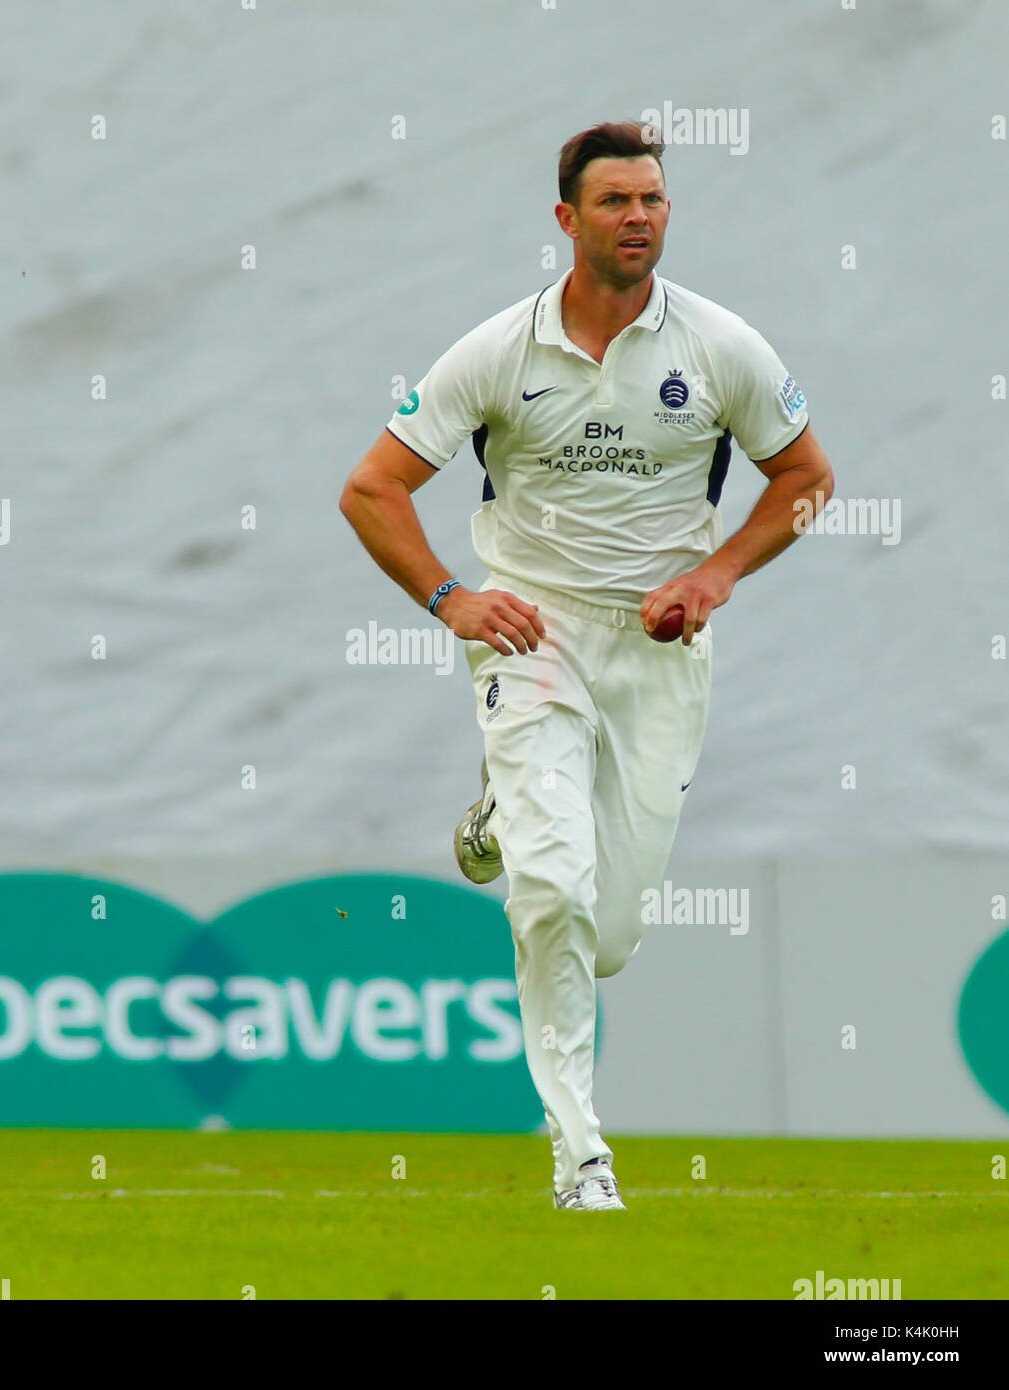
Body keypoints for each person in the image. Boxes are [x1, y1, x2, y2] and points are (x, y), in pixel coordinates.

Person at [339, 121, 834, 1211]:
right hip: (536, 635)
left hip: (661, 646)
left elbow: (804, 476)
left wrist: (718, 578)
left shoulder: (719, 345)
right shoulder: (497, 352)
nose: (640, 217)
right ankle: (580, 1154)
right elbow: (372, 489)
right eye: (616, 201)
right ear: (567, 220)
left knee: (605, 939)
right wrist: (452, 599)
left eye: (654, 198)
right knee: (552, 888)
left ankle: (496, 817)